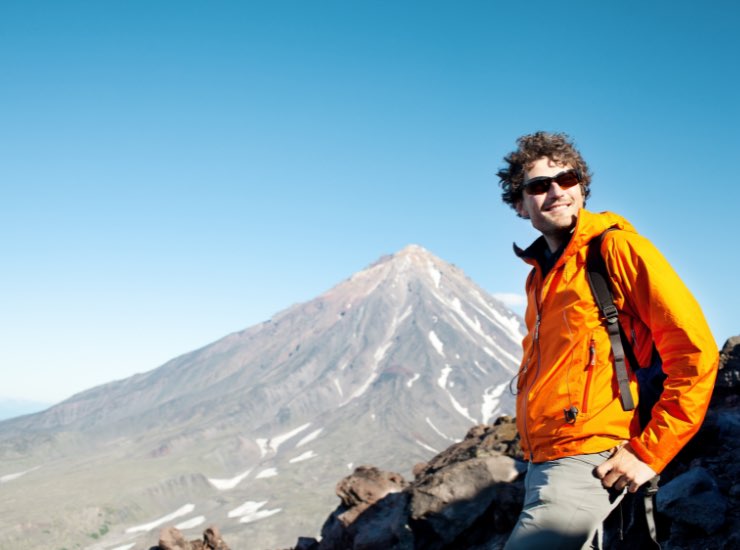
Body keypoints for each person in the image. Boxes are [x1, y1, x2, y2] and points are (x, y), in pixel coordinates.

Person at [497, 131, 718, 549]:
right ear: (519, 204)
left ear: (582, 186)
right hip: (544, 459)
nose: (557, 191)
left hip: (592, 456)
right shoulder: (539, 276)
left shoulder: (615, 249)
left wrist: (649, 453)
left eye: (568, 178)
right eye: (540, 186)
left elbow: (694, 351)